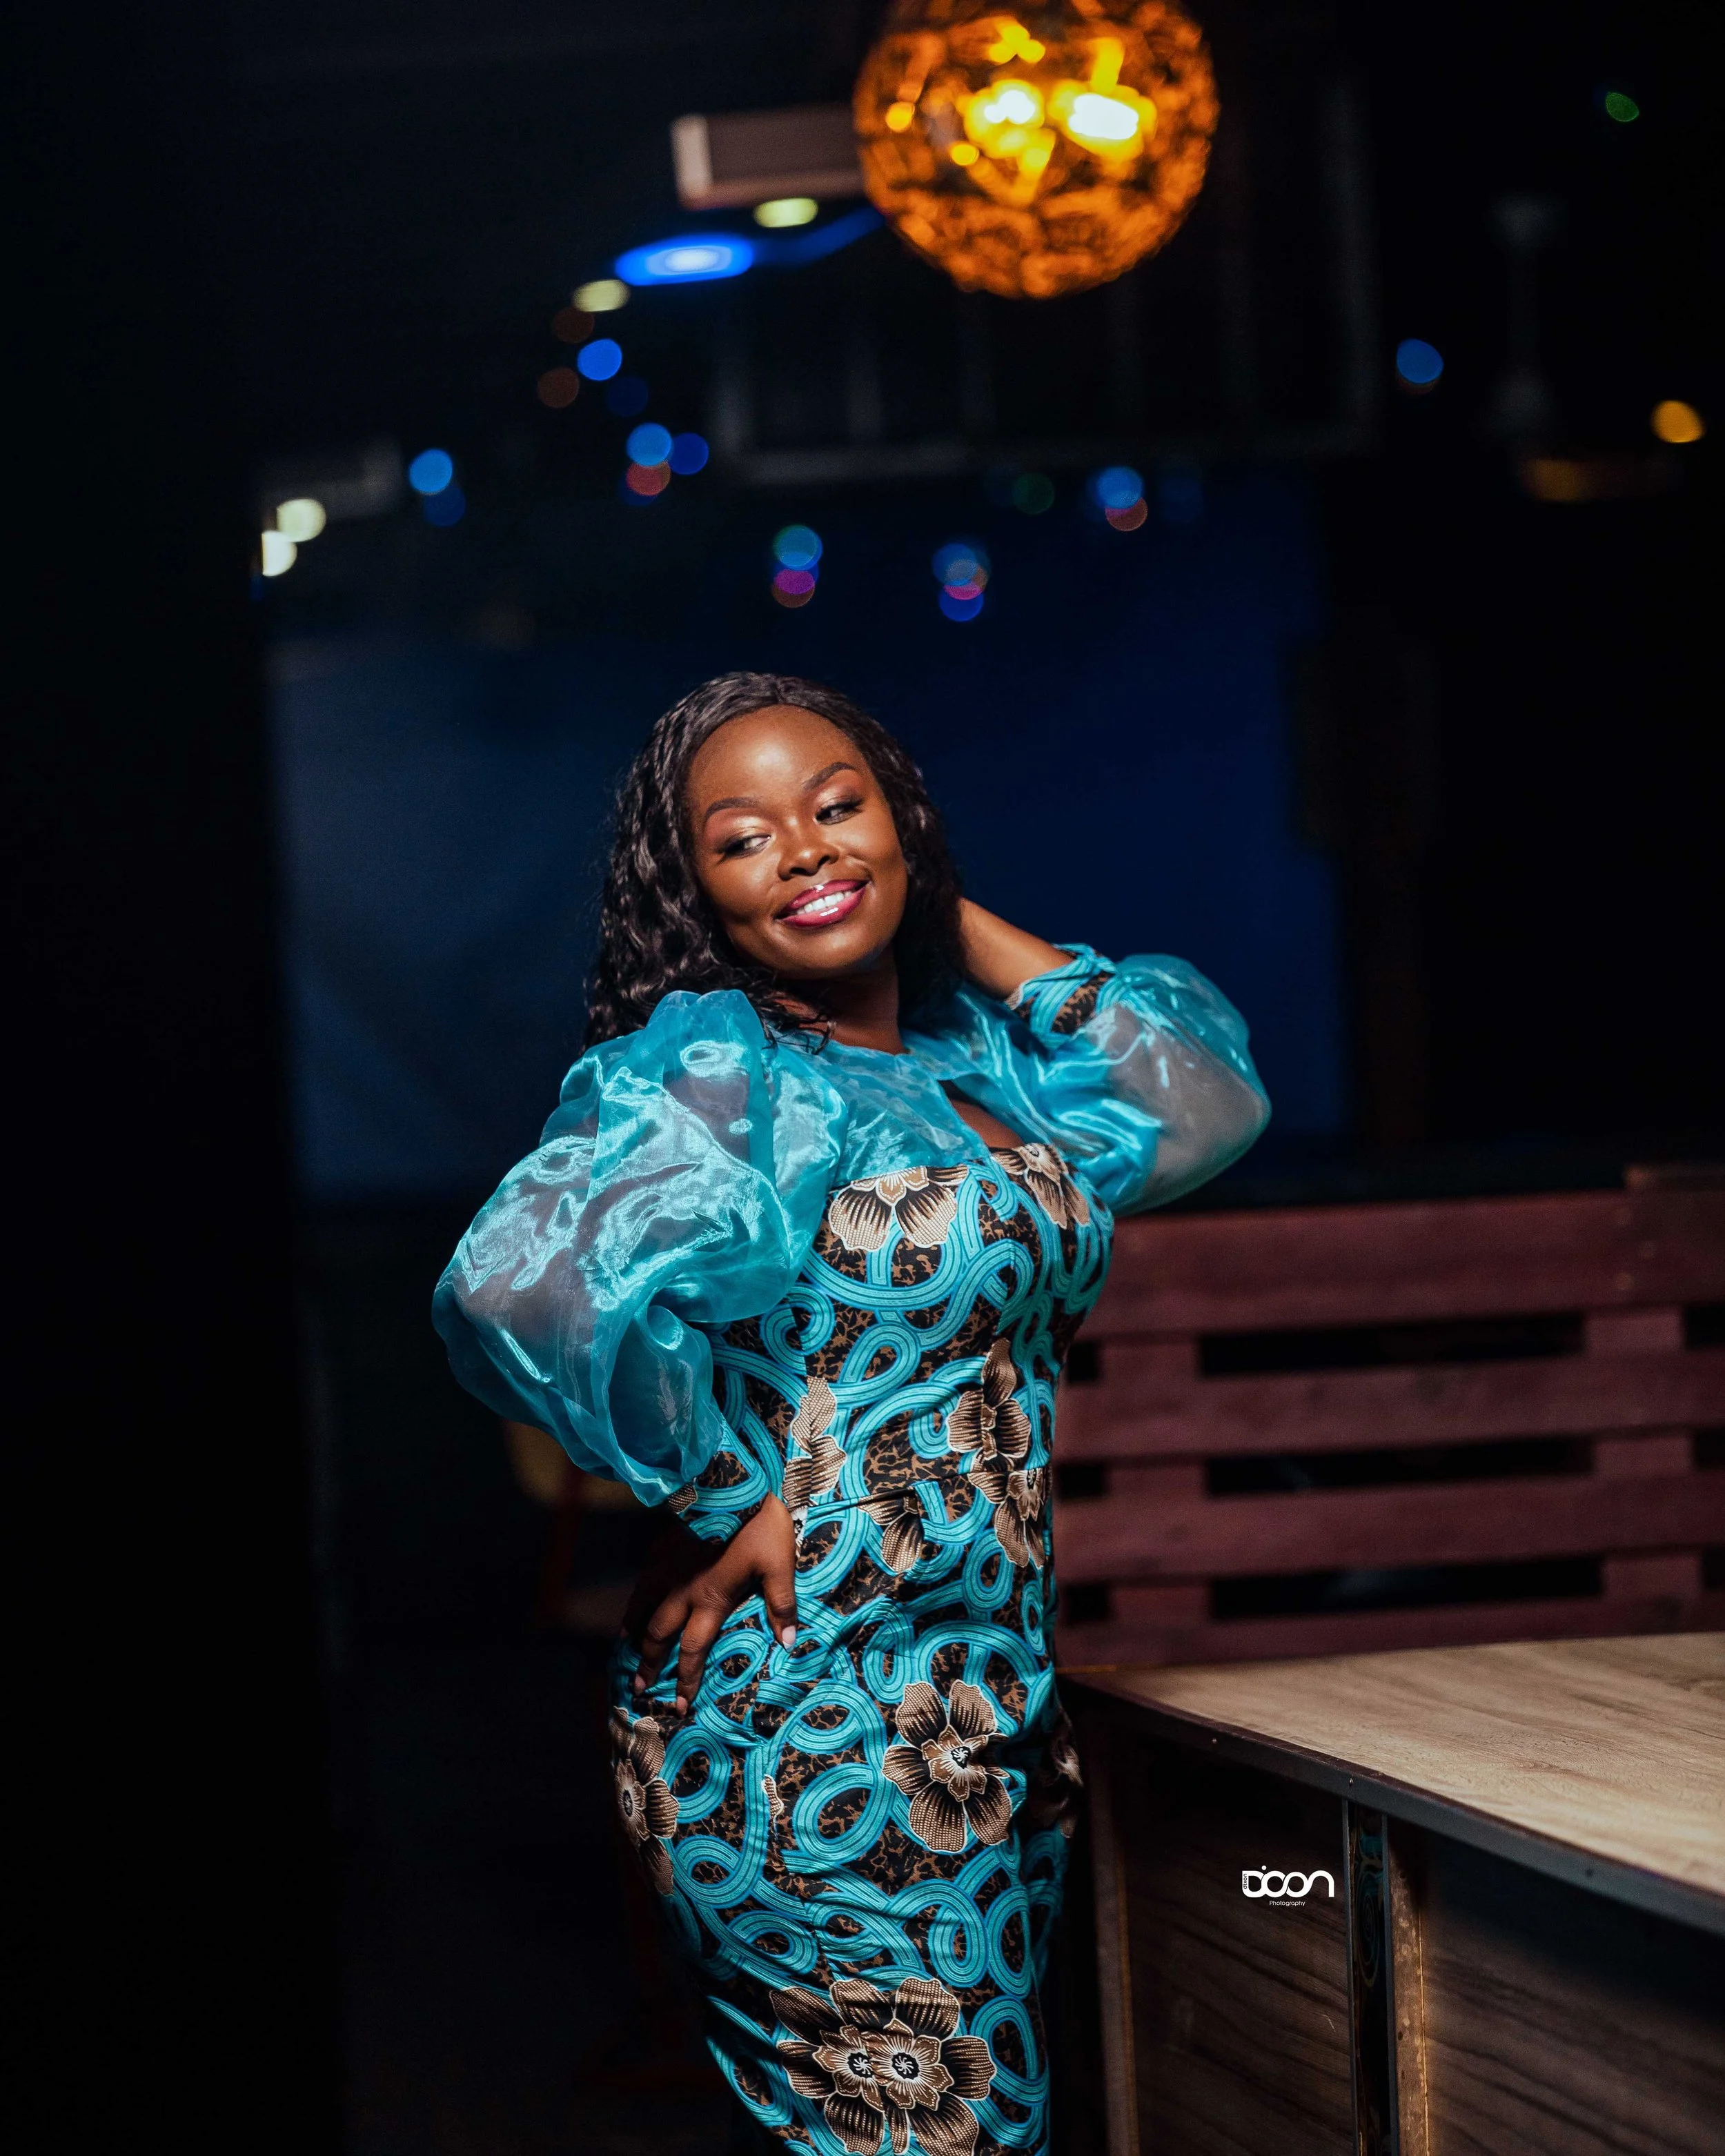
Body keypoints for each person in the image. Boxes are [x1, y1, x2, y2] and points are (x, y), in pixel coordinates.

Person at [433, 672, 1268, 2155]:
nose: (805, 851)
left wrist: (938, 906)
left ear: (901, 815)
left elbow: (1198, 1100)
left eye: (838, 807)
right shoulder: (726, 1068)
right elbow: (520, 1288)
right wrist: (718, 1490)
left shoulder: (963, 1060)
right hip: (804, 1713)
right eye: (743, 838)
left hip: (987, 1690)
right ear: (694, 889)